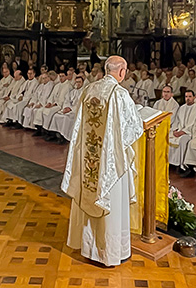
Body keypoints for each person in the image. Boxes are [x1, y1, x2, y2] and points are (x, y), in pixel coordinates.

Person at [61, 56, 144, 267]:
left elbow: (79, 126)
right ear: (122, 72)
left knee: (89, 194)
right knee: (110, 202)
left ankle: (87, 247)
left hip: (89, 157)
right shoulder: (120, 94)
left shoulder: (89, 90)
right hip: (110, 163)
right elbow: (132, 129)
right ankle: (110, 252)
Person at [169, 90, 196, 174]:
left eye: (190, 96)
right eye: (186, 97)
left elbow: (194, 124)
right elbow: (177, 121)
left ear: (194, 97)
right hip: (179, 130)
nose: (188, 98)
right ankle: (170, 163)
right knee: (168, 137)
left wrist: (183, 132)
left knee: (182, 140)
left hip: (189, 133)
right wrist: (175, 130)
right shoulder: (182, 108)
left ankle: (182, 165)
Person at [47, 75, 85, 143]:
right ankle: (56, 134)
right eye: (76, 82)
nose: (78, 84)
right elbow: (66, 100)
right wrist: (66, 107)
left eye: (79, 82)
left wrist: (70, 109)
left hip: (76, 111)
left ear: (83, 83)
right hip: (68, 109)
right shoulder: (73, 91)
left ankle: (64, 137)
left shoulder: (84, 92)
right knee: (56, 116)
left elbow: (80, 104)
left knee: (65, 119)